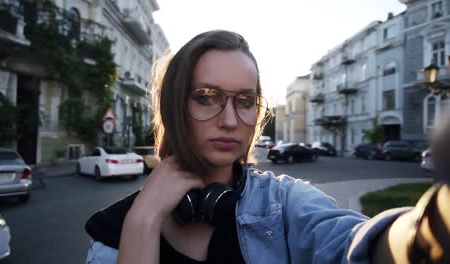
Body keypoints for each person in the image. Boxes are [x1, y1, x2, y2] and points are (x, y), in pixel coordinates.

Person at [84, 30, 449, 263]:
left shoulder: (284, 203)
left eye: (244, 101)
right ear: (173, 104)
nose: (229, 120)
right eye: (207, 97)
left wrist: (433, 229)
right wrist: (143, 221)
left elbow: (355, 243)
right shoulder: (113, 233)